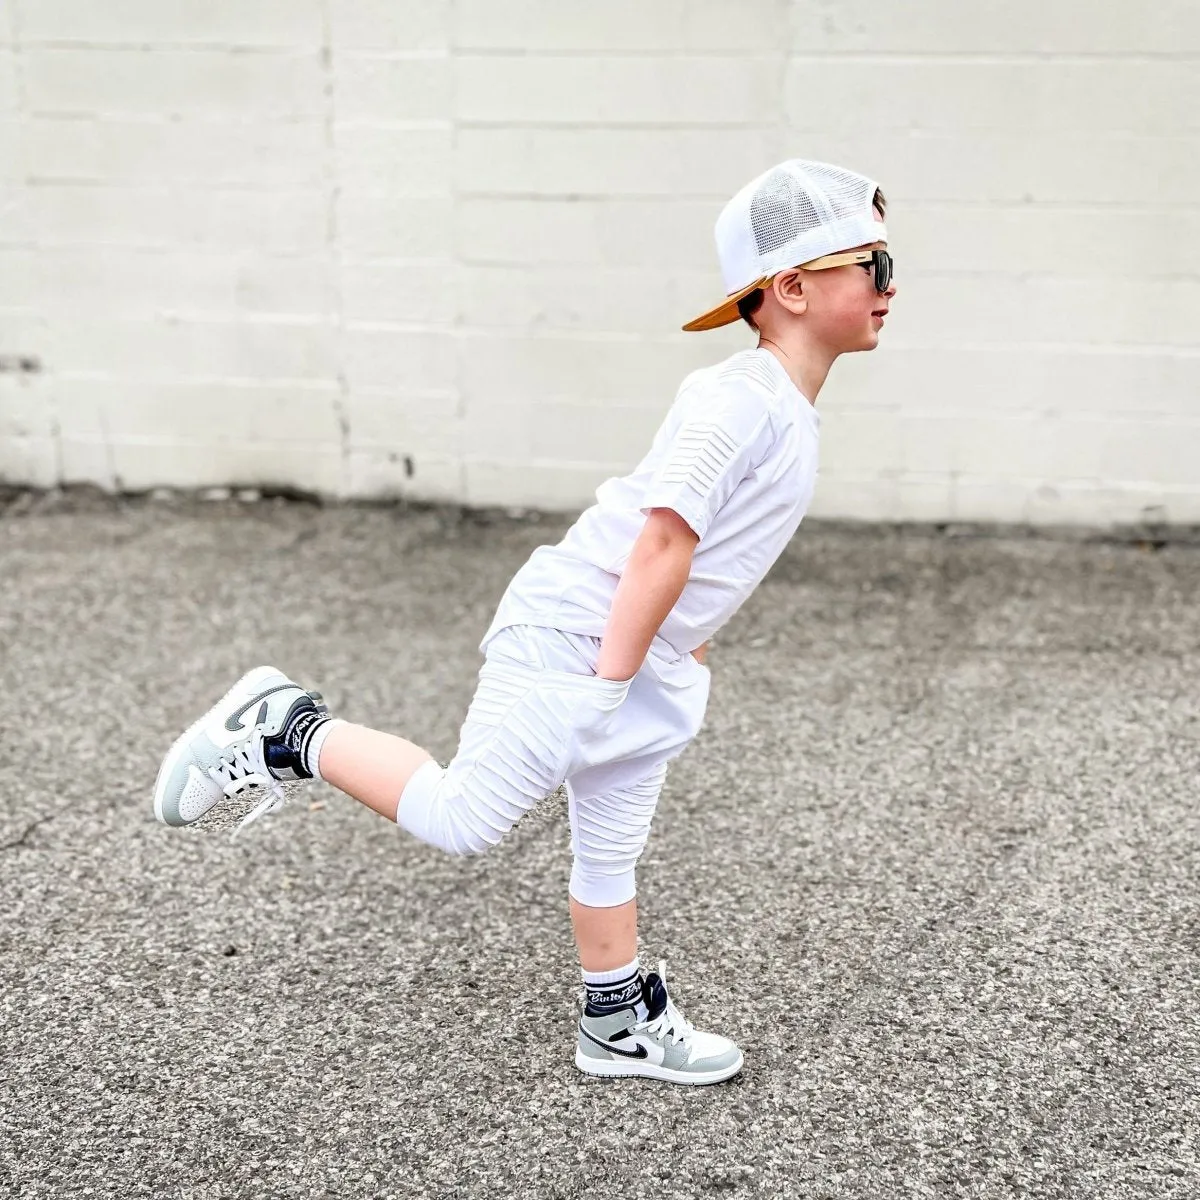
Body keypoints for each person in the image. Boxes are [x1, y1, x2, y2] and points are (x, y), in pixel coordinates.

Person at [152, 158, 896, 1086]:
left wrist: (677, 655)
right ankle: (287, 729)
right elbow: (662, 540)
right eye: (872, 264)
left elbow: (707, 559)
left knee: (611, 850)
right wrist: (612, 680)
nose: (889, 286)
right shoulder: (736, 399)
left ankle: (616, 1021)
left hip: (637, 658)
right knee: (464, 818)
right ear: (790, 287)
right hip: (578, 641)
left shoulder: (782, 409)